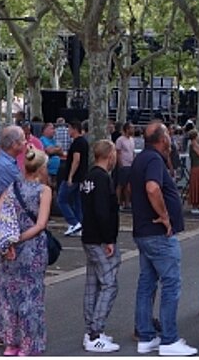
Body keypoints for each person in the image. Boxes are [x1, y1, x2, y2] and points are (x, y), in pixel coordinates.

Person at [130, 122, 196, 356]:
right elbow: (152, 188)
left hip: (144, 230)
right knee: (171, 283)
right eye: (167, 133)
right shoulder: (154, 160)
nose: (170, 137)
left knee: (147, 282)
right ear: (163, 139)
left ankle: (146, 334)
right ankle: (169, 339)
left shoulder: (143, 158)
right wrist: (164, 216)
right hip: (158, 233)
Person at [0, 147, 54, 356]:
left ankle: (11, 342)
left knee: (9, 296)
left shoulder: (12, 187)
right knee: (31, 296)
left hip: (9, 249)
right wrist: (20, 238)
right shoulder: (44, 191)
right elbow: (40, 224)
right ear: (41, 168)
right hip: (33, 249)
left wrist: (9, 240)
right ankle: (29, 343)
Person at [80, 140, 121, 353]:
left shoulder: (88, 177)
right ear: (110, 155)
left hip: (89, 234)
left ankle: (91, 330)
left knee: (92, 283)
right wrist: (109, 239)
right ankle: (95, 331)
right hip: (100, 237)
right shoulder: (103, 179)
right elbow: (103, 211)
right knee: (109, 283)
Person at [0, 125, 28, 270]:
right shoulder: (6, 165)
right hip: (6, 209)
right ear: (14, 144)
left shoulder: (8, 161)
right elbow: (25, 185)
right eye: (23, 140)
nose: (26, 143)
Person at [60, 121, 89, 237]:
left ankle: (73, 222)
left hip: (74, 176)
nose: (68, 131)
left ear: (74, 129)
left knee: (62, 199)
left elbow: (76, 160)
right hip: (81, 177)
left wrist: (70, 176)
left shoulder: (77, 143)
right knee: (78, 202)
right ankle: (80, 224)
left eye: (69, 128)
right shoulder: (83, 142)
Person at [115, 124, 136, 210]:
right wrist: (120, 165)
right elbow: (118, 152)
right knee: (120, 184)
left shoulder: (132, 140)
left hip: (130, 164)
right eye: (131, 128)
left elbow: (133, 152)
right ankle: (117, 202)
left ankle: (127, 203)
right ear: (127, 129)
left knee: (128, 185)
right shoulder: (120, 140)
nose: (133, 130)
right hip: (124, 164)